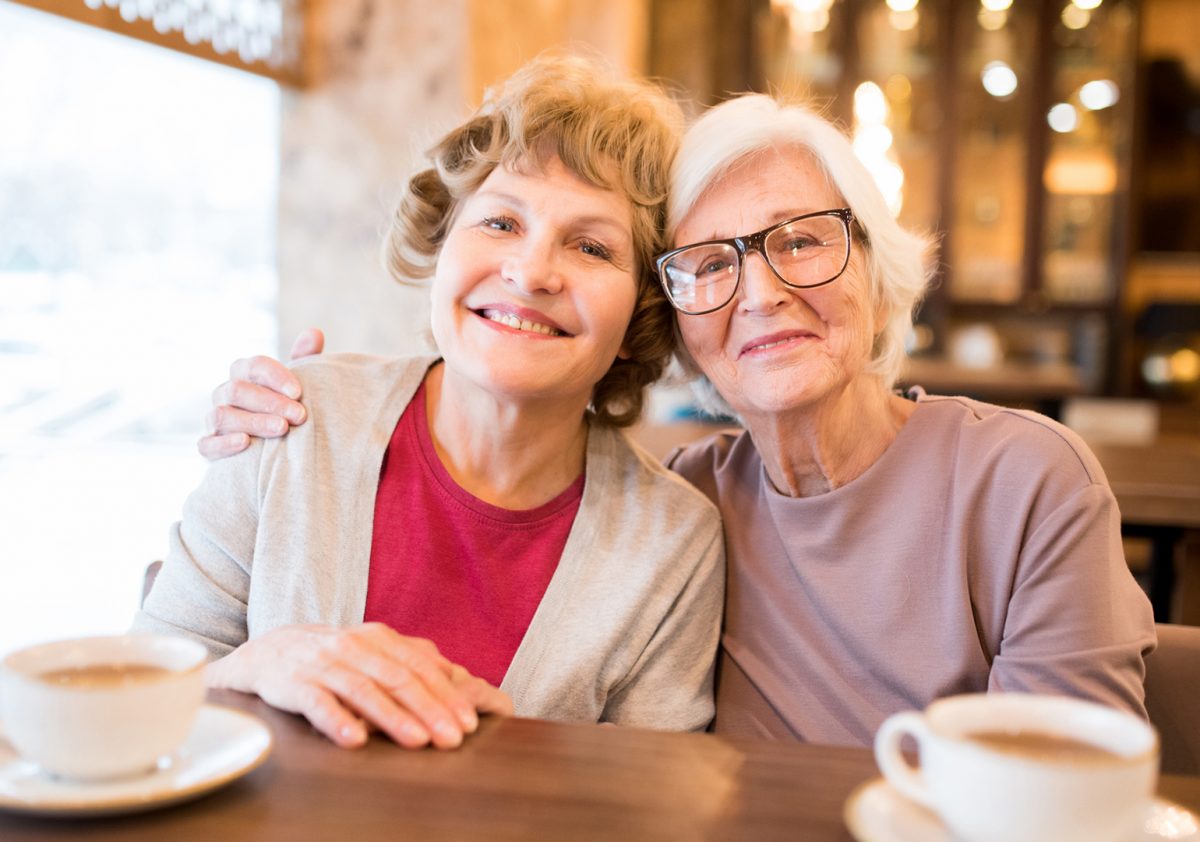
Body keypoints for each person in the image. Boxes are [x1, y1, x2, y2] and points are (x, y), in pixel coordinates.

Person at [201, 92, 1156, 748]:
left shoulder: (1020, 483)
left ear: (873, 264)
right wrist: (278, 427)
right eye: (709, 262)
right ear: (675, 317)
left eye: (804, 241)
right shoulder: (691, 507)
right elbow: (166, 655)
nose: (763, 292)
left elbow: (1065, 793)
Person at [137, 55, 724, 752]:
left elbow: (650, 809)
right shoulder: (291, 417)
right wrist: (253, 666)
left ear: (641, 316)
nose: (531, 272)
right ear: (445, 242)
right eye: (501, 223)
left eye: (591, 246)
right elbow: (140, 698)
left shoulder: (672, 543)